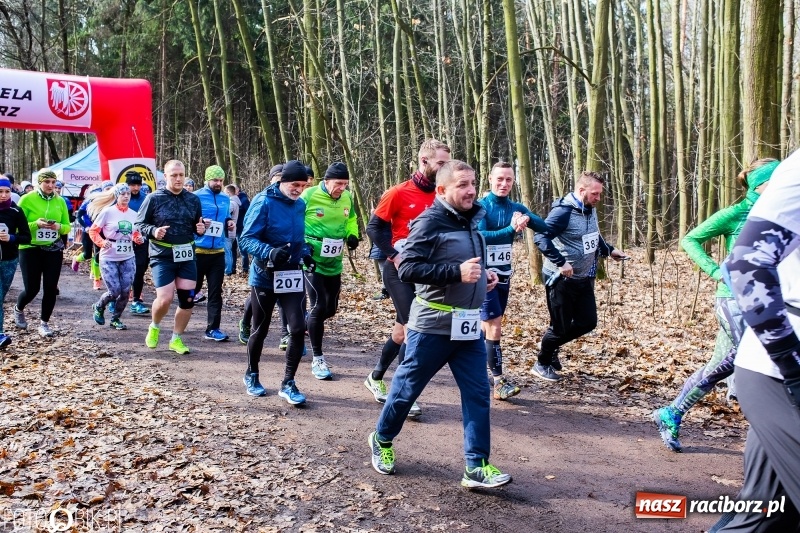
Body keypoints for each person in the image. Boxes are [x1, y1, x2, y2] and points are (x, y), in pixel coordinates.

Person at [368, 159, 511, 489]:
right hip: (430, 326)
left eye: (473, 183)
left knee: (477, 394)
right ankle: (382, 438)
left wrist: (483, 277)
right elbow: (408, 270)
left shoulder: (474, 220)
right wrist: (456, 274)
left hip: (466, 325)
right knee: (405, 393)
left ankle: (476, 465)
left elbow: (468, 262)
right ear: (443, 190)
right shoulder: (428, 222)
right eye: (462, 184)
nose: (471, 189)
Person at [653, 159, 778, 453]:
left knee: (720, 364)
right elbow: (691, 239)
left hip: (763, 301)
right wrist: (715, 270)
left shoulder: (779, 213)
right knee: (749, 356)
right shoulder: (737, 213)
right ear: (763, 183)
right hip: (733, 300)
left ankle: (671, 413)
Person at [706, 151, 800, 532]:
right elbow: (744, 264)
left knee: (764, 521)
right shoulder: (792, 176)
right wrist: (793, 371)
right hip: (777, 368)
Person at [364, 138, 451, 412]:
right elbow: (374, 228)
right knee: (414, 326)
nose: (446, 168)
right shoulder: (398, 193)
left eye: (448, 163)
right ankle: (403, 394)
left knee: (401, 331)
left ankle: (376, 376)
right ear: (424, 161)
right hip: (399, 269)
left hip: (427, 270)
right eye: (441, 163)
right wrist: (395, 255)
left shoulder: (442, 195)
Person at [532, 171, 629, 381]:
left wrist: (610, 250)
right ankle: (541, 362)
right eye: (595, 194)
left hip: (583, 277)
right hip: (560, 278)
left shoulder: (589, 209)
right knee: (560, 326)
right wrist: (561, 262)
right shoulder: (562, 213)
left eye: (600, 194)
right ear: (582, 190)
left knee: (588, 322)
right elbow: (540, 238)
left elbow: (594, 236)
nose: (598, 198)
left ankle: (551, 343)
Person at [239, 160, 315, 405]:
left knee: (297, 328)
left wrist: (305, 253)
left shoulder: (300, 204)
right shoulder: (264, 202)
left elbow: (297, 239)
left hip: (291, 274)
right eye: (295, 184)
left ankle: (288, 382)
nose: (299, 189)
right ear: (282, 181)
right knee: (259, 330)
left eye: (303, 185)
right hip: (264, 276)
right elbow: (246, 239)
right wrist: (269, 251)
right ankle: (252, 374)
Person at [478, 162, 548, 400]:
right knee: (494, 326)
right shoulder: (481, 206)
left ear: (514, 182)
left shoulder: (516, 207)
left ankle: (473, 367)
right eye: (499, 179)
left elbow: (545, 227)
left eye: (508, 180)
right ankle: (498, 381)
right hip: (484, 276)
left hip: (505, 276)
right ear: (490, 179)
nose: (504, 184)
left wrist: (526, 219)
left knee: (484, 327)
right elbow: (481, 237)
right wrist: (510, 229)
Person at [135, 160, 207, 354]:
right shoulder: (153, 198)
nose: (178, 179)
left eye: (181, 175)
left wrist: (200, 229)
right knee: (165, 299)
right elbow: (139, 224)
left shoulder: (193, 199)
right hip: (162, 254)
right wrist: (154, 230)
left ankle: (176, 338)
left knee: (188, 300)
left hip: (187, 254)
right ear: (165, 177)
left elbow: (196, 226)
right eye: (173, 175)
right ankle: (155, 326)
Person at [300, 162, 360, 380]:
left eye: (345, 184)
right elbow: (295, 219)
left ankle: (303, 324)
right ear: (326, 181)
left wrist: (353, 235)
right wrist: (301, 245)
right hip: (312, 258)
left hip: (335, 260)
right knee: (318, 307)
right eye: (338, 183)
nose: (341, 188)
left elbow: (351, 218)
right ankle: (318, 359)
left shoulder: (347, 197)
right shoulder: (309, 195)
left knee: (331, 309)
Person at [14, 170, 70, 337]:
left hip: (53, 249)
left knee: (51, 288)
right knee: (32, 289)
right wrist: (35, 224)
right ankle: (18, 308)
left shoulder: (60, 201)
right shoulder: (26, 199)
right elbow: (18, 227)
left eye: (54, 182)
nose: (51, 186)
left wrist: (59, 227)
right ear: (40, 182)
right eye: (47, 182)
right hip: (30, 248)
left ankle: (44, 323)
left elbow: (67, 226)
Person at [87, 183, 144, 330]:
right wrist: (101, 242)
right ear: (116, 196)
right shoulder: (107, 212)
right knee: (114, 291)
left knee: (125, 292)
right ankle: (99, 306)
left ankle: (115, 319)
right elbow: (93, 231)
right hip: (109, 256)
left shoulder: (134, 214)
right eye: (122, 194)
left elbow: (135, 233)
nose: (126, 196)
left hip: (127, 256)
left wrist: (138, 238)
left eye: (128, 194)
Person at [193, 165, 234, 342]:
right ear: (207, 180)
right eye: (215, 180)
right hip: (197, 250)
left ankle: (213, 329)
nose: (218, 183)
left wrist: (229, 222)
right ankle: (180, 318)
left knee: (215, 293)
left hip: (217, 252)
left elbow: (224, 218)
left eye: (220, 180)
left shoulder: (225, 199)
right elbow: (188, 219)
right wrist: (200, 222)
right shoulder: (195, 197)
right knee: (190, 291)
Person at [0, 176, 32, 348]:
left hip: (9, 260)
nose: (4, 195)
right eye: (0, 192)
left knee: (1, 297)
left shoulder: (16, 211)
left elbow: (27, 236)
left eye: (7, 191)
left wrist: (11, 237)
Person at [124, 170, 151, 315]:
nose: (135, 188)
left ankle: (136, 300)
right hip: (124, 240)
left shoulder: (147, 198)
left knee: (139, 270)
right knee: (123, 269)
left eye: (138, 185)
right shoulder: (120, 197)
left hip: (142, 239)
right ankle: (116, 298)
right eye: (132, 185)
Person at [224, 184, 240, 276]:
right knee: (229, 251)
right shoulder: (236, 202)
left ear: (229, 193)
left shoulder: (231, 203)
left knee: (227, 252)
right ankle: (229, 269)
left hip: (229, 231)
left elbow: (225, 214)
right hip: (232, 231)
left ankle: (227, 270)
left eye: (225, 192)